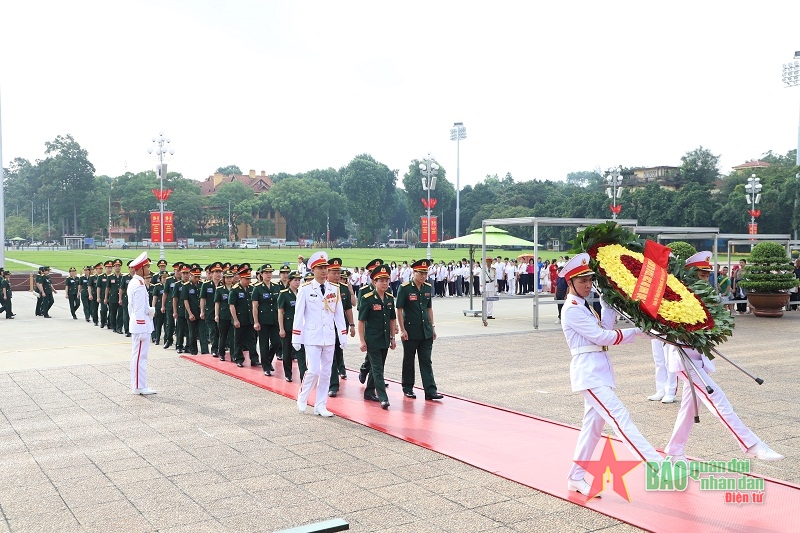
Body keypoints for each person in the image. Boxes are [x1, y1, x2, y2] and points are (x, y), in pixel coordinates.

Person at [663, 252, 783, 462]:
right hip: (683, 358)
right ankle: (752, 444)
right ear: (690, 273)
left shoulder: (701, 296)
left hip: (697, 357)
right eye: (701, 274)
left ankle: (674, 452)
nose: (705, 278)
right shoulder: (676, 296)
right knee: (716, 397)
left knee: (689, 408)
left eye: (707, 274)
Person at [559, 253, 662, 497]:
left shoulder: (584, 307)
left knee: (592, 429)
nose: (587, 285)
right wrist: (636, 332)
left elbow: (604, 329)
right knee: (620, 418)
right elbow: (602, 338)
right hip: (589, 372)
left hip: (598, 371)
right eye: (582, 281)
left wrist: (607, 307)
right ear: (570, 283)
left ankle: (575, 477)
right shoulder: (572, 309)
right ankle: (657, 465)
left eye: (589, 280)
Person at [292, 251, 348, 417]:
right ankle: (303, 396)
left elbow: (339, 314)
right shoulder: (305, 289)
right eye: (320, 268)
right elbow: (298, 314)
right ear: (313, 270)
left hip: (329, 336)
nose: (324, 271)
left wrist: (342, 335)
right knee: (314, 370)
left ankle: (320, 405)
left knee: (326, 373)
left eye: (326, 267)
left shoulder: (334, 289)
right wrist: (296, 337)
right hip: (312, 336)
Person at [396, 259, 443, 401]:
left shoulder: (427, 287)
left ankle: (430, 390)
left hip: (426, 331)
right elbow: (399, 309)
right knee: (409, 360)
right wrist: (402, 329)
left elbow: (429, 308)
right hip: (410, 331)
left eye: (425, 273)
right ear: (413, 272)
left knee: (426, 361)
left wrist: (432, 326)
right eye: (420, 273)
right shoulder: (405, 288)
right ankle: (408, 388)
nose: (423, 276)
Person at [358, 264, 397, 409]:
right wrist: (362, 340)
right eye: (381, 280)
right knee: (378, 369)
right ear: (374, 282)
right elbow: (361, 321)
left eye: (387, 280)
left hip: (385, 339)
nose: (385, 283)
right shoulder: (367, 298)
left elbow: (393, 319)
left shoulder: (389, 298)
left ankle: (369, 391)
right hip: (372, 340)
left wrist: (393, 338)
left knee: (378, 368)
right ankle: (383, 397)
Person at [326, 258, 356, 397]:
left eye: (339, 272)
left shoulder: (343, 288)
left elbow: (348, 309)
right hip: (326, 327)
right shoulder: (323, 287)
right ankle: (333, 385)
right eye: (334, 272)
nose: (338, 275)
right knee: (330, 355)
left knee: (338, 351)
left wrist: (352, 325)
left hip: (340, 327)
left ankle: (340, 370)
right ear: (327, 272)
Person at [128, 252, 156, 395]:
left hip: (139, 325)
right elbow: (138, 310)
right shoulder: (139, 285)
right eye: (147, 267)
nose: (149, 269)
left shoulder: (135, 282)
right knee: (140, 357)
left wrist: (149, 310)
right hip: (141, 327)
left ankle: (138, 384)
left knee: (138, 356)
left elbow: (132, 308)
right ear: (140, 269)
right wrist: (142, 328)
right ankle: (139, 386)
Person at [252, 264, 281, 376]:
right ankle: (266, 367)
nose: (269, 274)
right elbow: (255, 306)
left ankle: (267, 361)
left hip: (274, 319)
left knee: (276, 342)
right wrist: (256, 321)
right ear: (261, 274)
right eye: (266, 273)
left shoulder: (276, 286)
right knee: (263, 344)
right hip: (263, 320)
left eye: (270, 272)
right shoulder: (258, 288)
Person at [229, 263, 259, 368]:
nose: (249, 281)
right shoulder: (235, 289)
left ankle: (254, 359)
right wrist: (235, 320)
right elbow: (232, 306)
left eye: (249, 278)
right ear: (241, 278)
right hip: (240, 319)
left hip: (249, 319)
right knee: (238, 340)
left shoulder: (251, 288)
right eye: (247, 279)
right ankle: (239, 359)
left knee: (252, 340)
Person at [278, 270, 305, 381]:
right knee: (287, 351)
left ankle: (303, 374)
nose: (297, 282)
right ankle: (288, 373)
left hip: (299, 327)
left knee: (300, 351)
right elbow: (280, 312)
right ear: (289, 281)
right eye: (295, 280)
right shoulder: (284, 294)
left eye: (299, 280)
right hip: (288, 326)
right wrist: (281, 328)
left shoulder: (301, 293)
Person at [214, 269, 235, 361]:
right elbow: (217, 303)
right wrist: (216, 315)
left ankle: (233, 355)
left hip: (233, 316)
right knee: (223, 335)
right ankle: (221, 353)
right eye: (227, 278)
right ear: (224, 279)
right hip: (223, 315)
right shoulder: (220, 290)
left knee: (233, 336)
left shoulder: (235, 289)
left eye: (230, 277)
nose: (229, 279)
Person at [182, 264, 203, 355]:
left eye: (199, 277)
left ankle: (204, 350)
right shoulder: (186, 286)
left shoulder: (202, 285)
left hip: (200, 312)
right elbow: (186, 301)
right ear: (191, 275)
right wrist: (190, 313)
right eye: (195, 277)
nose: (197, 279)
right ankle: (193, 350)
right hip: (191, 312)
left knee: (202, 332)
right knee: (192, 333)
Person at [151, 272, 167, 345]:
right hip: (158, 307)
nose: (164, 279)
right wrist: (153, 309)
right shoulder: (157, 287)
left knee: (167, 325)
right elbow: (154, 298)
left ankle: (166, 339)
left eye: (166, 278)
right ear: (160, 279)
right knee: (158, 324)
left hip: (167, 307)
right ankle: (157, 338)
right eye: (163, 278)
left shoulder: (169, 286)